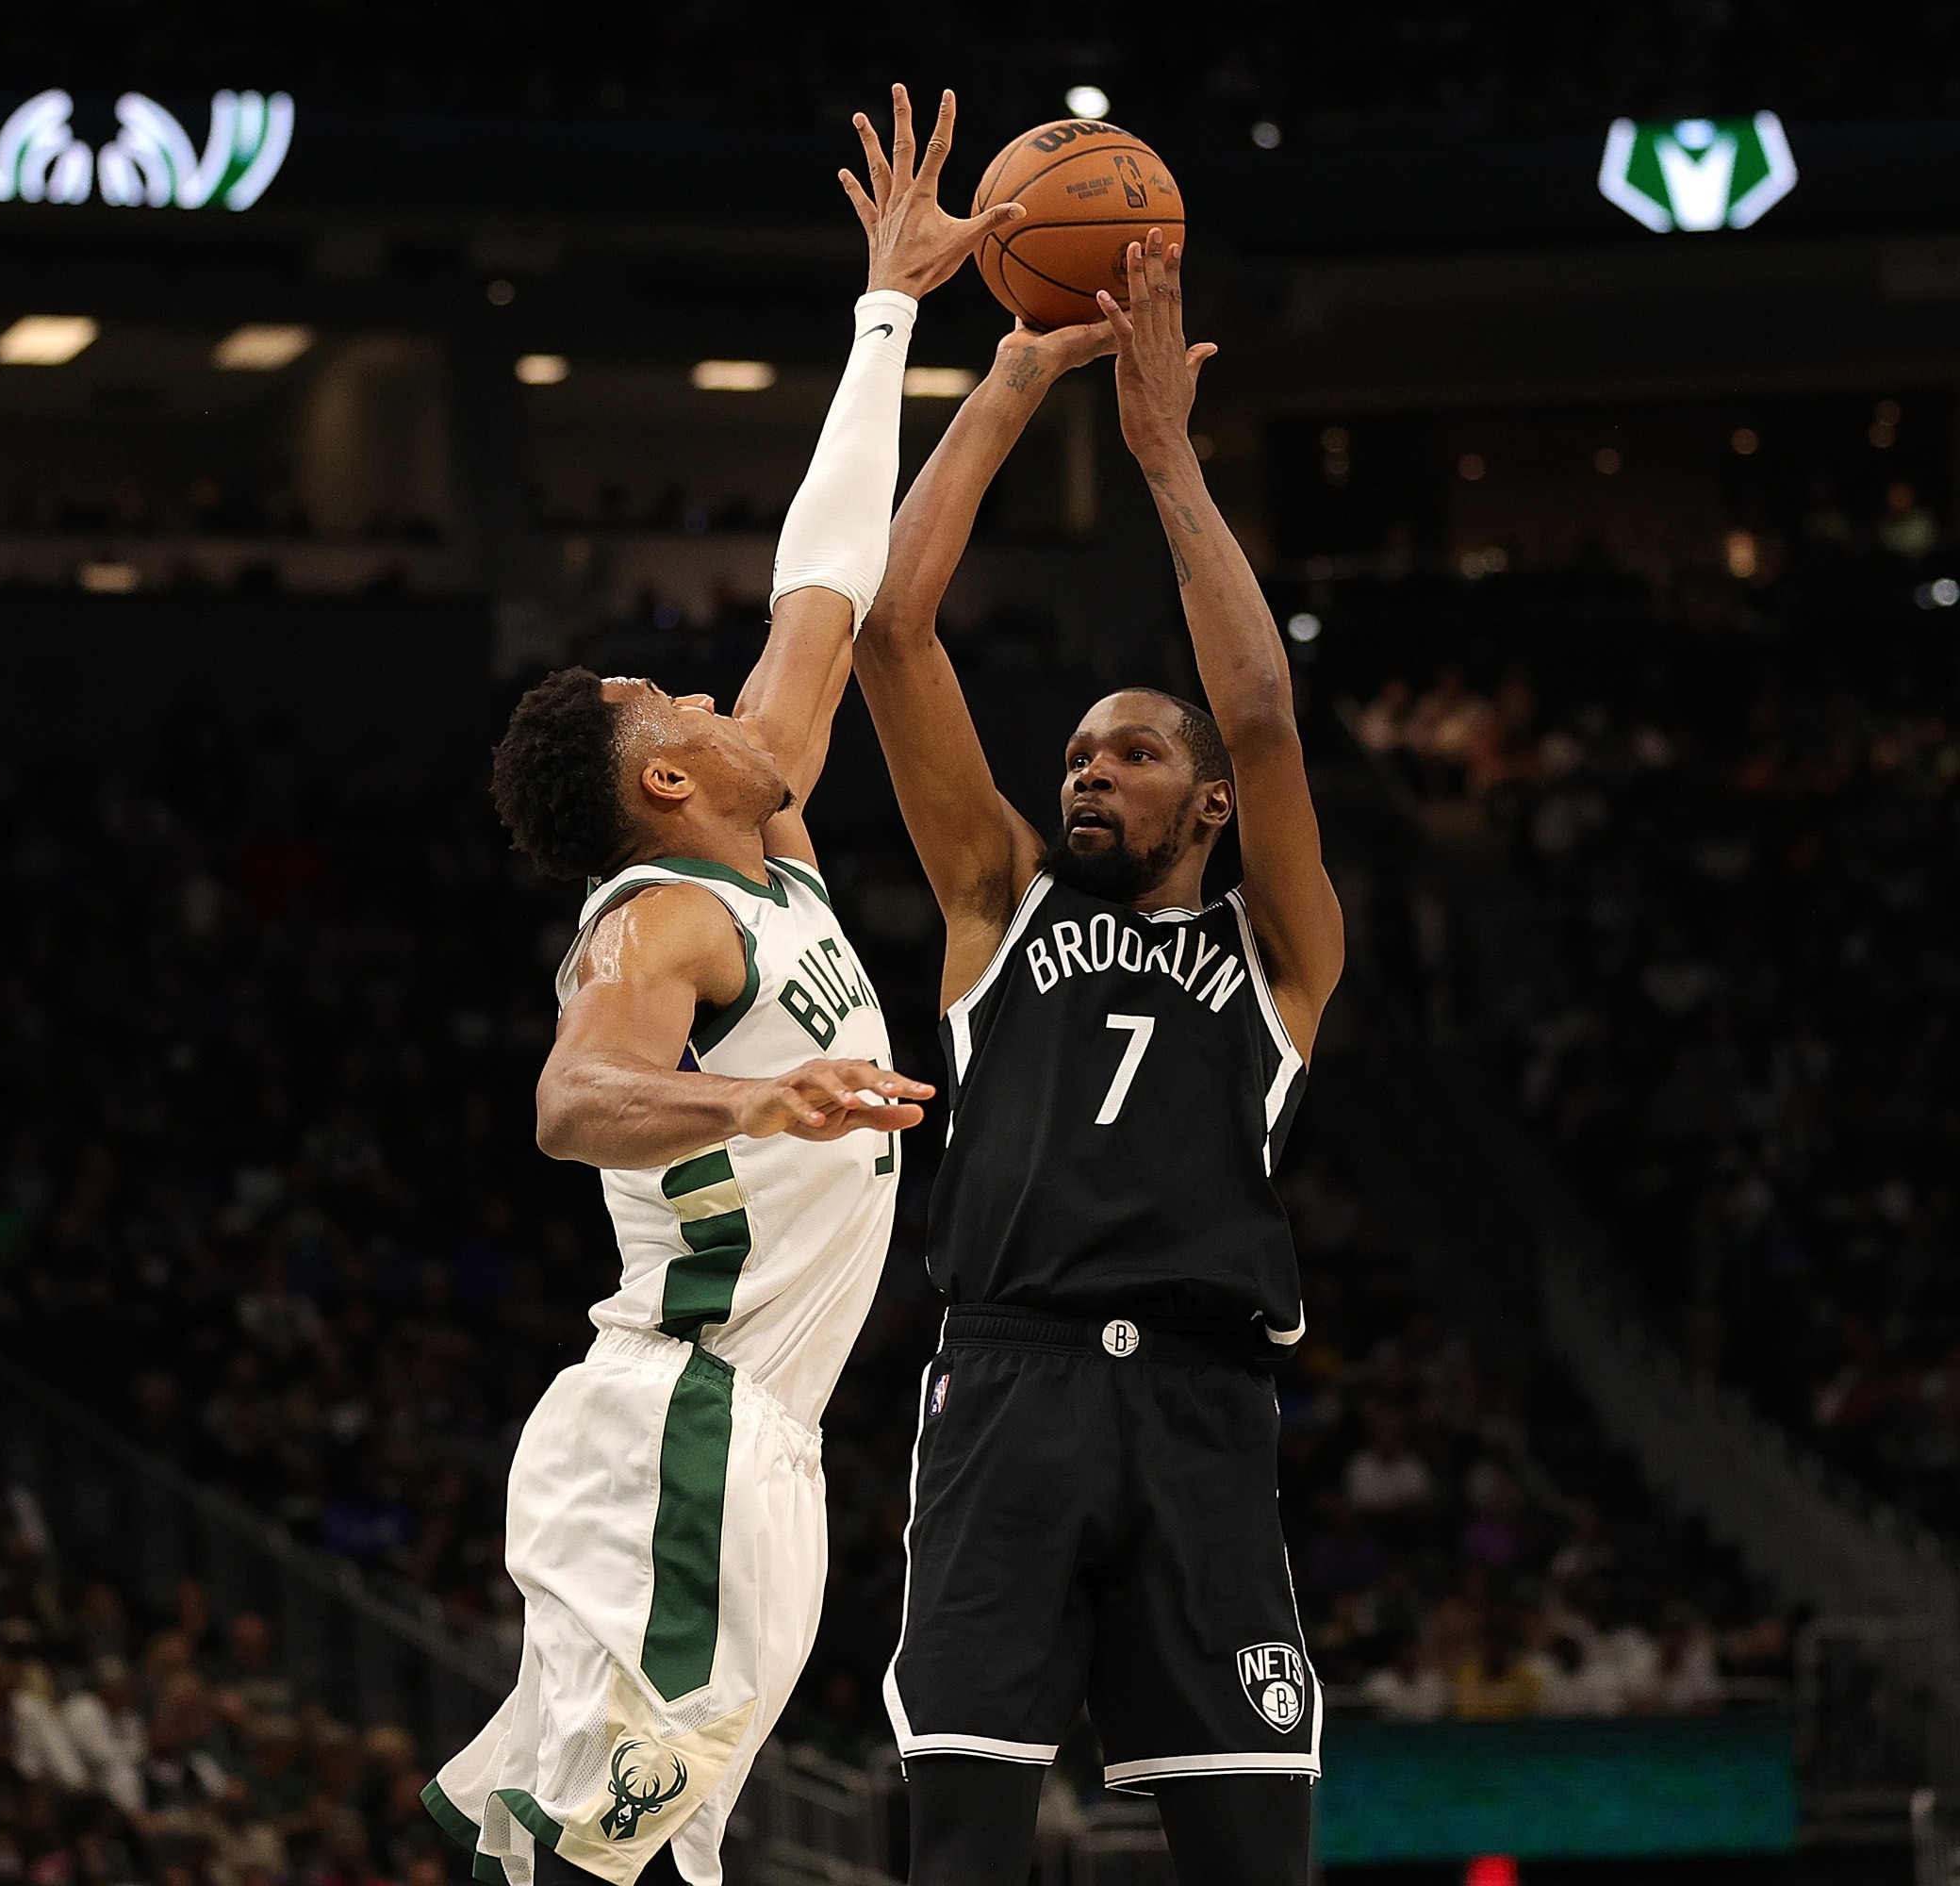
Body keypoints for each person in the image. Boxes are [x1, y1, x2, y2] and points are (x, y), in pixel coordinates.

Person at [420, 84, 1019, 1886]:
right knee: (597, 1855)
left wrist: (899, 316)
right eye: (668, 702)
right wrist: (752, 1096)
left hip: (752, 1436)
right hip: (678, 1418)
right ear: (663, 782)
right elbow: (571, 1101)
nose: (709, 691)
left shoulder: (772, 852)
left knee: (617, 1860)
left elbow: (823, 583)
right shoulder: (655, 919)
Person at [855, 226, 1347, 1885]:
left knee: (1252, 1857)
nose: (1088, 771)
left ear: (1205, 803)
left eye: (1131, 754)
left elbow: (1265, 710)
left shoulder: (1278, 957)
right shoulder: (998, 904)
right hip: (1009, 1384)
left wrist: (1162, 455)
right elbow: (893, 631)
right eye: (1076, 751)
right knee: (971, 1845)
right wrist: (1003, 379)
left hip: (1206, 1411)